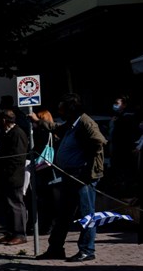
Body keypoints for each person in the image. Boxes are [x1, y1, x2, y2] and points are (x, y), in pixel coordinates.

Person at [38, 93, 106, 262]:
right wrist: (39, 122)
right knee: (63, 214)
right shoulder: (71, 124)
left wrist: (87, 169)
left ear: (71, 110)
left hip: (82, 177)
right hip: (69, 176)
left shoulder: (86, 123)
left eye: (62, 109)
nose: (59, 111)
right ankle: (55, 248)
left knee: (86, 214)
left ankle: (87, 250)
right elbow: (56, 128)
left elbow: (99, 143)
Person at [0, 109, 29, 245]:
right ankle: (9, 233)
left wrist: (8, 174)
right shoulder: (5, 133)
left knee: (15, 204)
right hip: (3, 176)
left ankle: (19, 234)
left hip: (13, 177)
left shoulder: (17, 133)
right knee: (6, 205)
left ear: (4, 120)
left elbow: (17, 159)